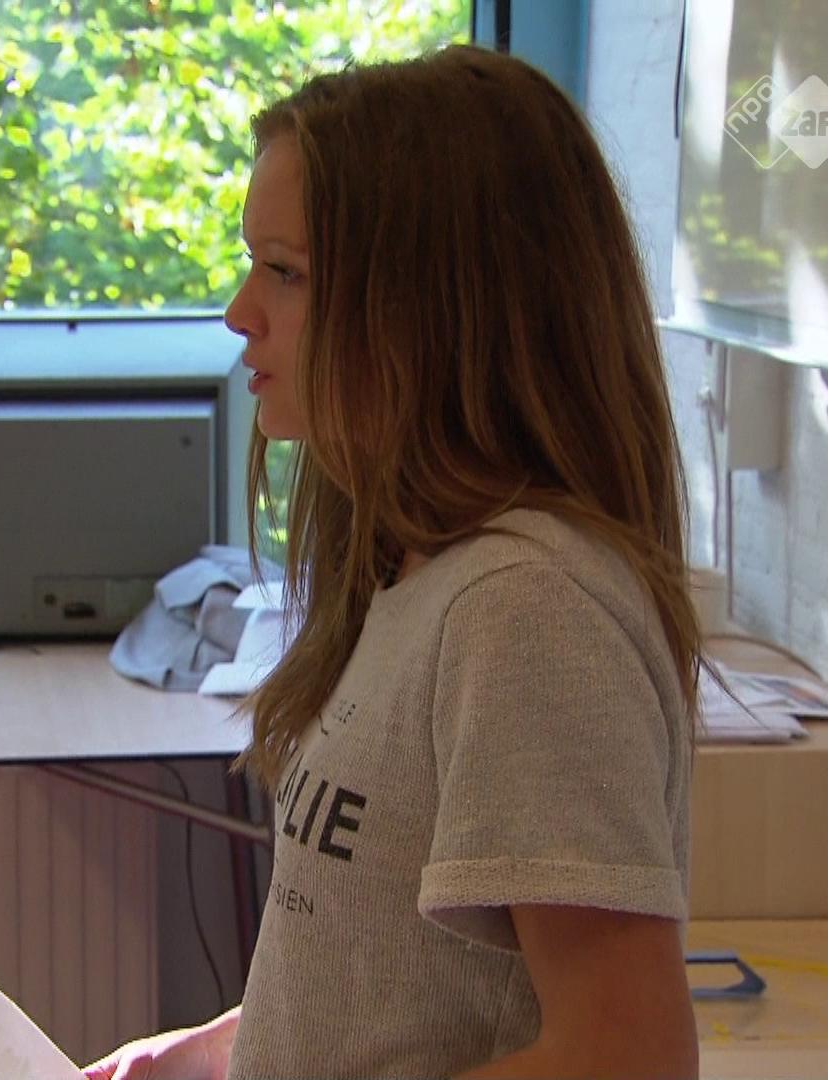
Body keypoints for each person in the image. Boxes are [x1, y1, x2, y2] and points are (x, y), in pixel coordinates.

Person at [87, 46, 702, 1080]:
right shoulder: (412, 572)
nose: (240, 310)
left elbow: (626, 1058)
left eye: (285, 272)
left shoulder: (523, 611)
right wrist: (211, 1055)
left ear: (431, 307)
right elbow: (392, 981)